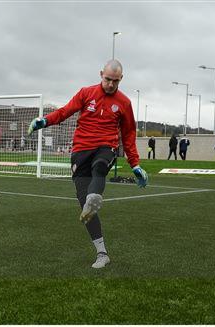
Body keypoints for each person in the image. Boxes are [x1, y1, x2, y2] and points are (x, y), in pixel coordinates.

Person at [28, 59, 148, 269]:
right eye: (108, 79)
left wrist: (135, 164)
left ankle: (95, 197)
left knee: (100, 166)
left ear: (121, 79)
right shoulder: (86, 93)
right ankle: (102, 253)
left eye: (115, 81)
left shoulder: (125, 103)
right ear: (101, 74)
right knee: (86, 208)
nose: (111, 84)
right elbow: (65, 111)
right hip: (81, 150)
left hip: (106, 147)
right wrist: (45, 121)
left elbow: (128, 134)